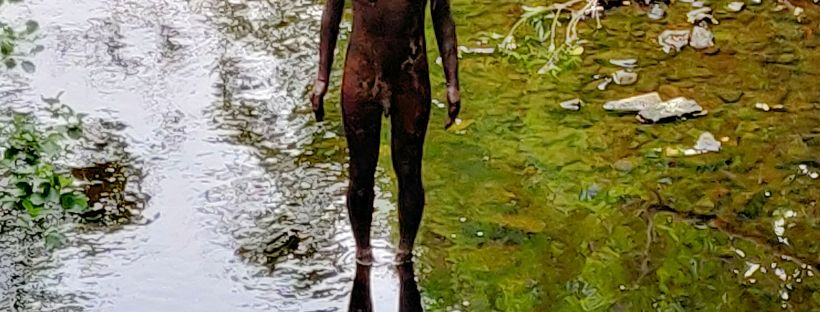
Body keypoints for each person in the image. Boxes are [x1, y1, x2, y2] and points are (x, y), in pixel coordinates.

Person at [310, 0, 461, 265]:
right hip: (361, 74)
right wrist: (322, 77)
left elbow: (443, 16)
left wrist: (452, 82)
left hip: (410, 76)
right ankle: (363, 253)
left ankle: (405, 254)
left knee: (409, 171)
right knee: (360, 173)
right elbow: (331, 14)